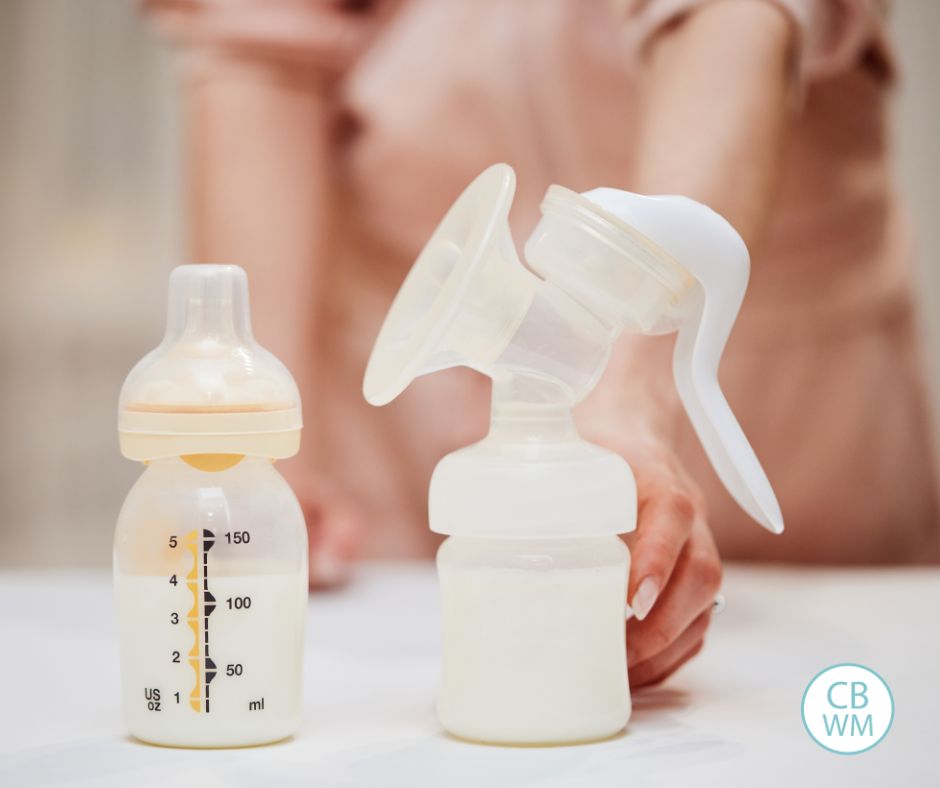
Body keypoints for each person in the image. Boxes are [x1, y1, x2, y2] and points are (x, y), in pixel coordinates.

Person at [146, 0, 939, 686]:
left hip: (791, 398)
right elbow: (258, 47)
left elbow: (729, 18)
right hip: (400, 419)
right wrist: (267, 432)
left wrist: (627, 392)